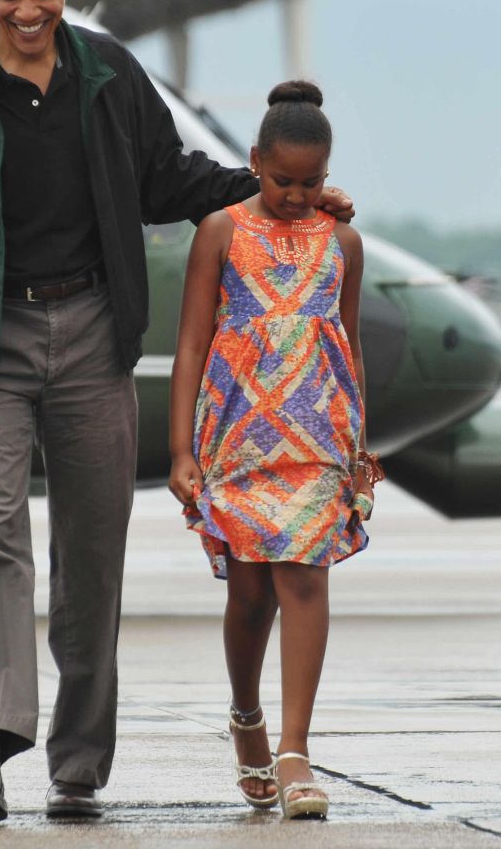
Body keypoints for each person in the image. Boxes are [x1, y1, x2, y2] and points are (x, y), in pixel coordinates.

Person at [0, 0, 354, 824]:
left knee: (92, 555)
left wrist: (280, 195)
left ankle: (78, 765)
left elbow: (167, 178)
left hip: (90, 330)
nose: (28, 11)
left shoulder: (111, 75)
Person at [168, 80, 382, 820]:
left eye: (311, 182)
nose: (296, 196)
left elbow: (348, 346)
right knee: (250, 595)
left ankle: (295, 751)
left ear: (329, 174)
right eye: (283, 180)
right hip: (237, 435)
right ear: (255, 161)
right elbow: (191, 342)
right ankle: (246, 716)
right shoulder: (219, 232)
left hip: (319, 435)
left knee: (305, 580)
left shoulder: (344, 243)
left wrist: (358, 446)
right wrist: (181, 449)